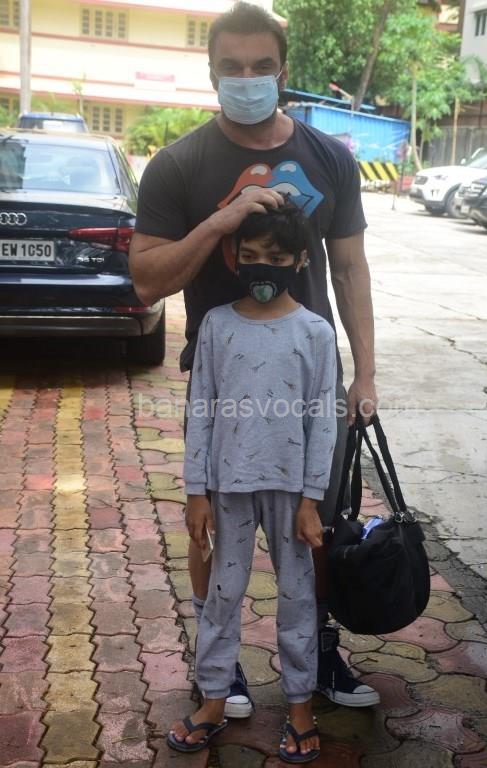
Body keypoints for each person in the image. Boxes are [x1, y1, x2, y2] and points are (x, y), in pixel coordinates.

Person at [130, 0, 378, 728]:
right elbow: (146, 281)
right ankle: (222, 662)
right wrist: (220, 220)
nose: (247, 79)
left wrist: (365, 374)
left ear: (283, 69)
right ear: (211, 73)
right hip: (224, 383)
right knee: (208, 526)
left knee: (317, 523)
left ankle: (319, 650)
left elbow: (351, 270)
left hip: (307, 380)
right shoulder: (178, 165)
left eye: (261, 66)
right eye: (232, 68)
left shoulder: (331, 157)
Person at [167, 202, 336, 761]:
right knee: (222, 597)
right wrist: (196, 491)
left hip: (292, 492)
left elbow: (323, 420)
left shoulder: (314, 332)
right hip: (229, 487)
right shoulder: (217, 325)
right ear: (234, 257)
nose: (264, 266)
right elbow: (201, 408)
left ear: (301, 261)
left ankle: (300, 706)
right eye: (252, 255)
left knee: (297, 600)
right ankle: (214, 699)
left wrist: (312, 500)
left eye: (278, 258)